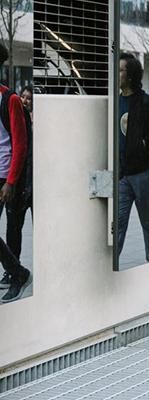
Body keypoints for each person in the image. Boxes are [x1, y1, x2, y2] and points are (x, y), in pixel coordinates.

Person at [117, 53, 149, 263]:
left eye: (120, 70)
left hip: (144, 172)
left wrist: (144, 144)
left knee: (147, 219)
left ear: (131, 75)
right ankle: (112, 263)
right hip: (123, 174)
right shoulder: (115, 101)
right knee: (118, 220)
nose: (116, 74)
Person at [0, 43, 31, 303]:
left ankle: (17, 273)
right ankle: (17, 271)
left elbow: (20, 144)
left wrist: (11, 181)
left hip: (3, 176)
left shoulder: (9, 99)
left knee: (13, 227)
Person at [5, 85, 34, 260]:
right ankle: (13, 268)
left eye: (29, 98)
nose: (24, 101)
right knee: (13, 228)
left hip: (35, 181)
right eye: (23, 97)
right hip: (21, 182)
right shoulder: (18, 118)